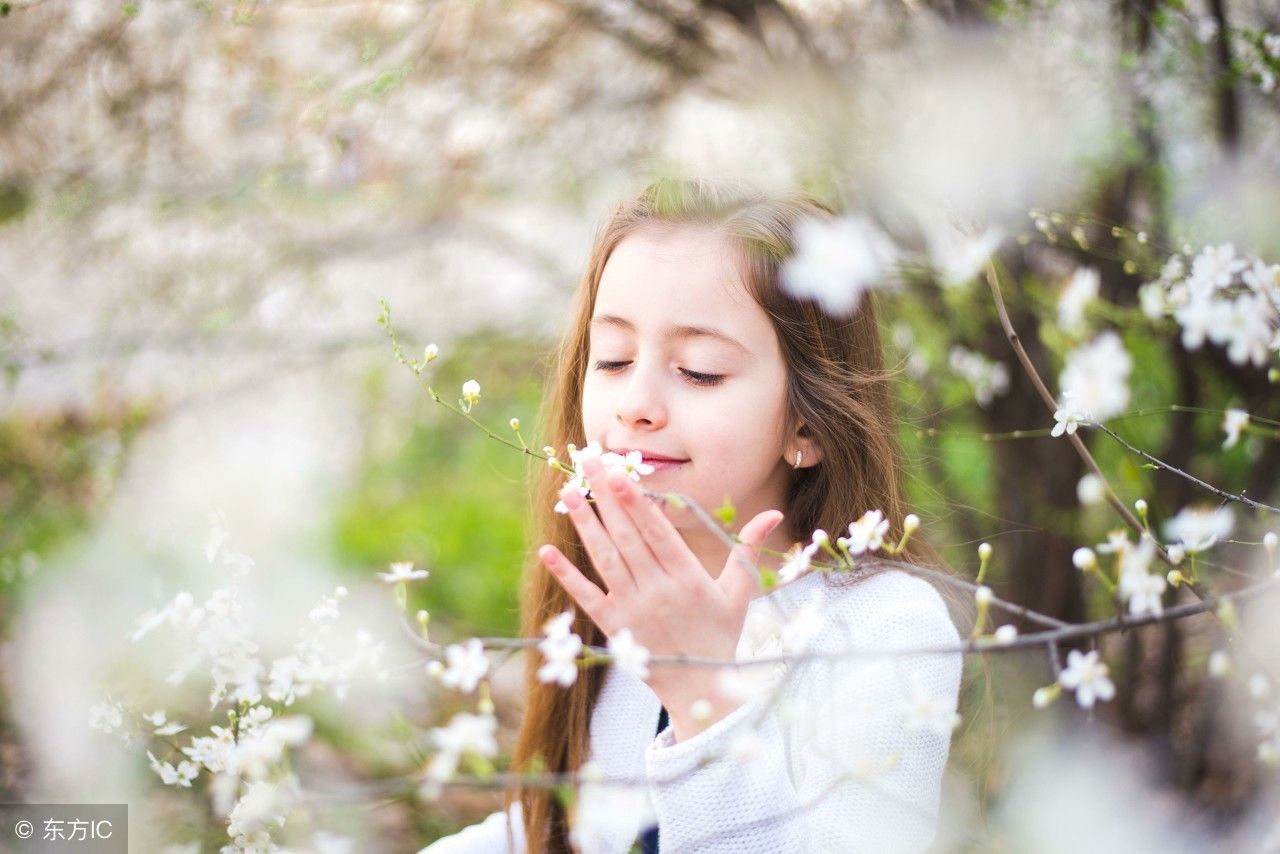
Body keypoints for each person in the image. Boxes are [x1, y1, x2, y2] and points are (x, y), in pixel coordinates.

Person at [420, 177, 964, 853]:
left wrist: (700, 693)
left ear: (809, 425)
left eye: (700, 371)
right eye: (613, 359)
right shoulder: (611, 595)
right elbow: (564, 833)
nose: (636, 404)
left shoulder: (884, 626)